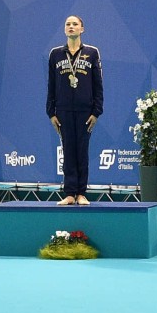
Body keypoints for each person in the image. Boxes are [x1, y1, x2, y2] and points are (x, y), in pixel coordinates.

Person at [46, 15, 102, 206]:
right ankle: (70, 193)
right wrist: (51, 112)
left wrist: (96, 111)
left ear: (82, 29)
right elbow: (51, 84)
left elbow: (98, 84)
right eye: (68, 24)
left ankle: (81, 193)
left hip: (85, 112)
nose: (71, 26)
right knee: (68, 151)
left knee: (82, 151)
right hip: (63, 111)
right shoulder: (55, 54)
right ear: (64, 29)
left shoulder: (92, 53)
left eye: (75, 24)